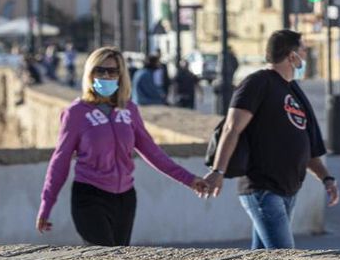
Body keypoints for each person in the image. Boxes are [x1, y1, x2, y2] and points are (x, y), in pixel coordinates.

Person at [36, 47, 211, 246]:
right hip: (90, 196)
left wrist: (189, 179)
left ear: (121, 76)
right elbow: (60, 160)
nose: (106, 75)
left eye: (112, 71)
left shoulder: (129, 110)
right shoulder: (76, 113)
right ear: (90, 73)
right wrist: (46, 204)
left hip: (125, 199)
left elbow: (153, 152)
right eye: (100, 70)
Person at [202, 29, 338, 250]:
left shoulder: (294, 91)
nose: (305, 55)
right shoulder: (257, 83)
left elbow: (308, 147)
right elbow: (231, 127)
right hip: (262, 189)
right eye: (302, 50)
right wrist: (218, 171)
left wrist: (327, 179)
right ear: (292, 56)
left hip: (288, 190)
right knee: (284, 259)